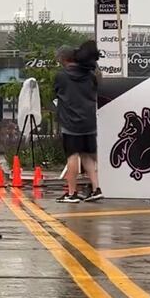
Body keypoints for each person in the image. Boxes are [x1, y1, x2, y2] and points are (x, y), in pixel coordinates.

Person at [54, 41, 103, 203]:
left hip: (71, 123)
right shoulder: (90, 75)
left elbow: (56, 92)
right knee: (87, 155)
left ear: (63, 59)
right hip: (89, 121)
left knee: (72, 156)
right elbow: (97, 86)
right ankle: (96, 189)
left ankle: (72, 193)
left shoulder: (61, 76)